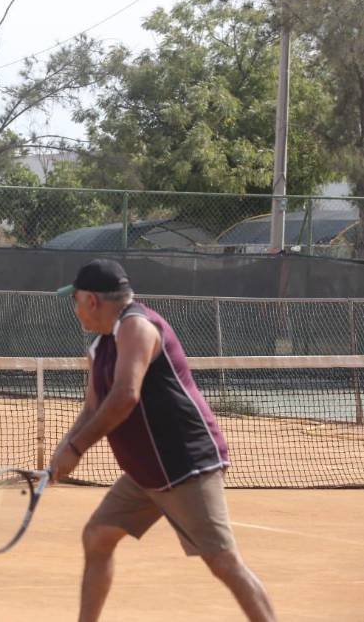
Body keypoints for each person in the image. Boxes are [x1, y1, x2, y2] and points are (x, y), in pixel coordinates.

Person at [49, 259, 276, 622]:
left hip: (186, 464)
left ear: (91, 300)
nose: (74, 309)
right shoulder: (100, 346)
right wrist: (64, 446)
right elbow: (92, 408)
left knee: (223, 561)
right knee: (98, 536)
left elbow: (125, 396)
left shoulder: (137, 326)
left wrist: (77, 449)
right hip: (146, 472)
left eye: (75, 300)